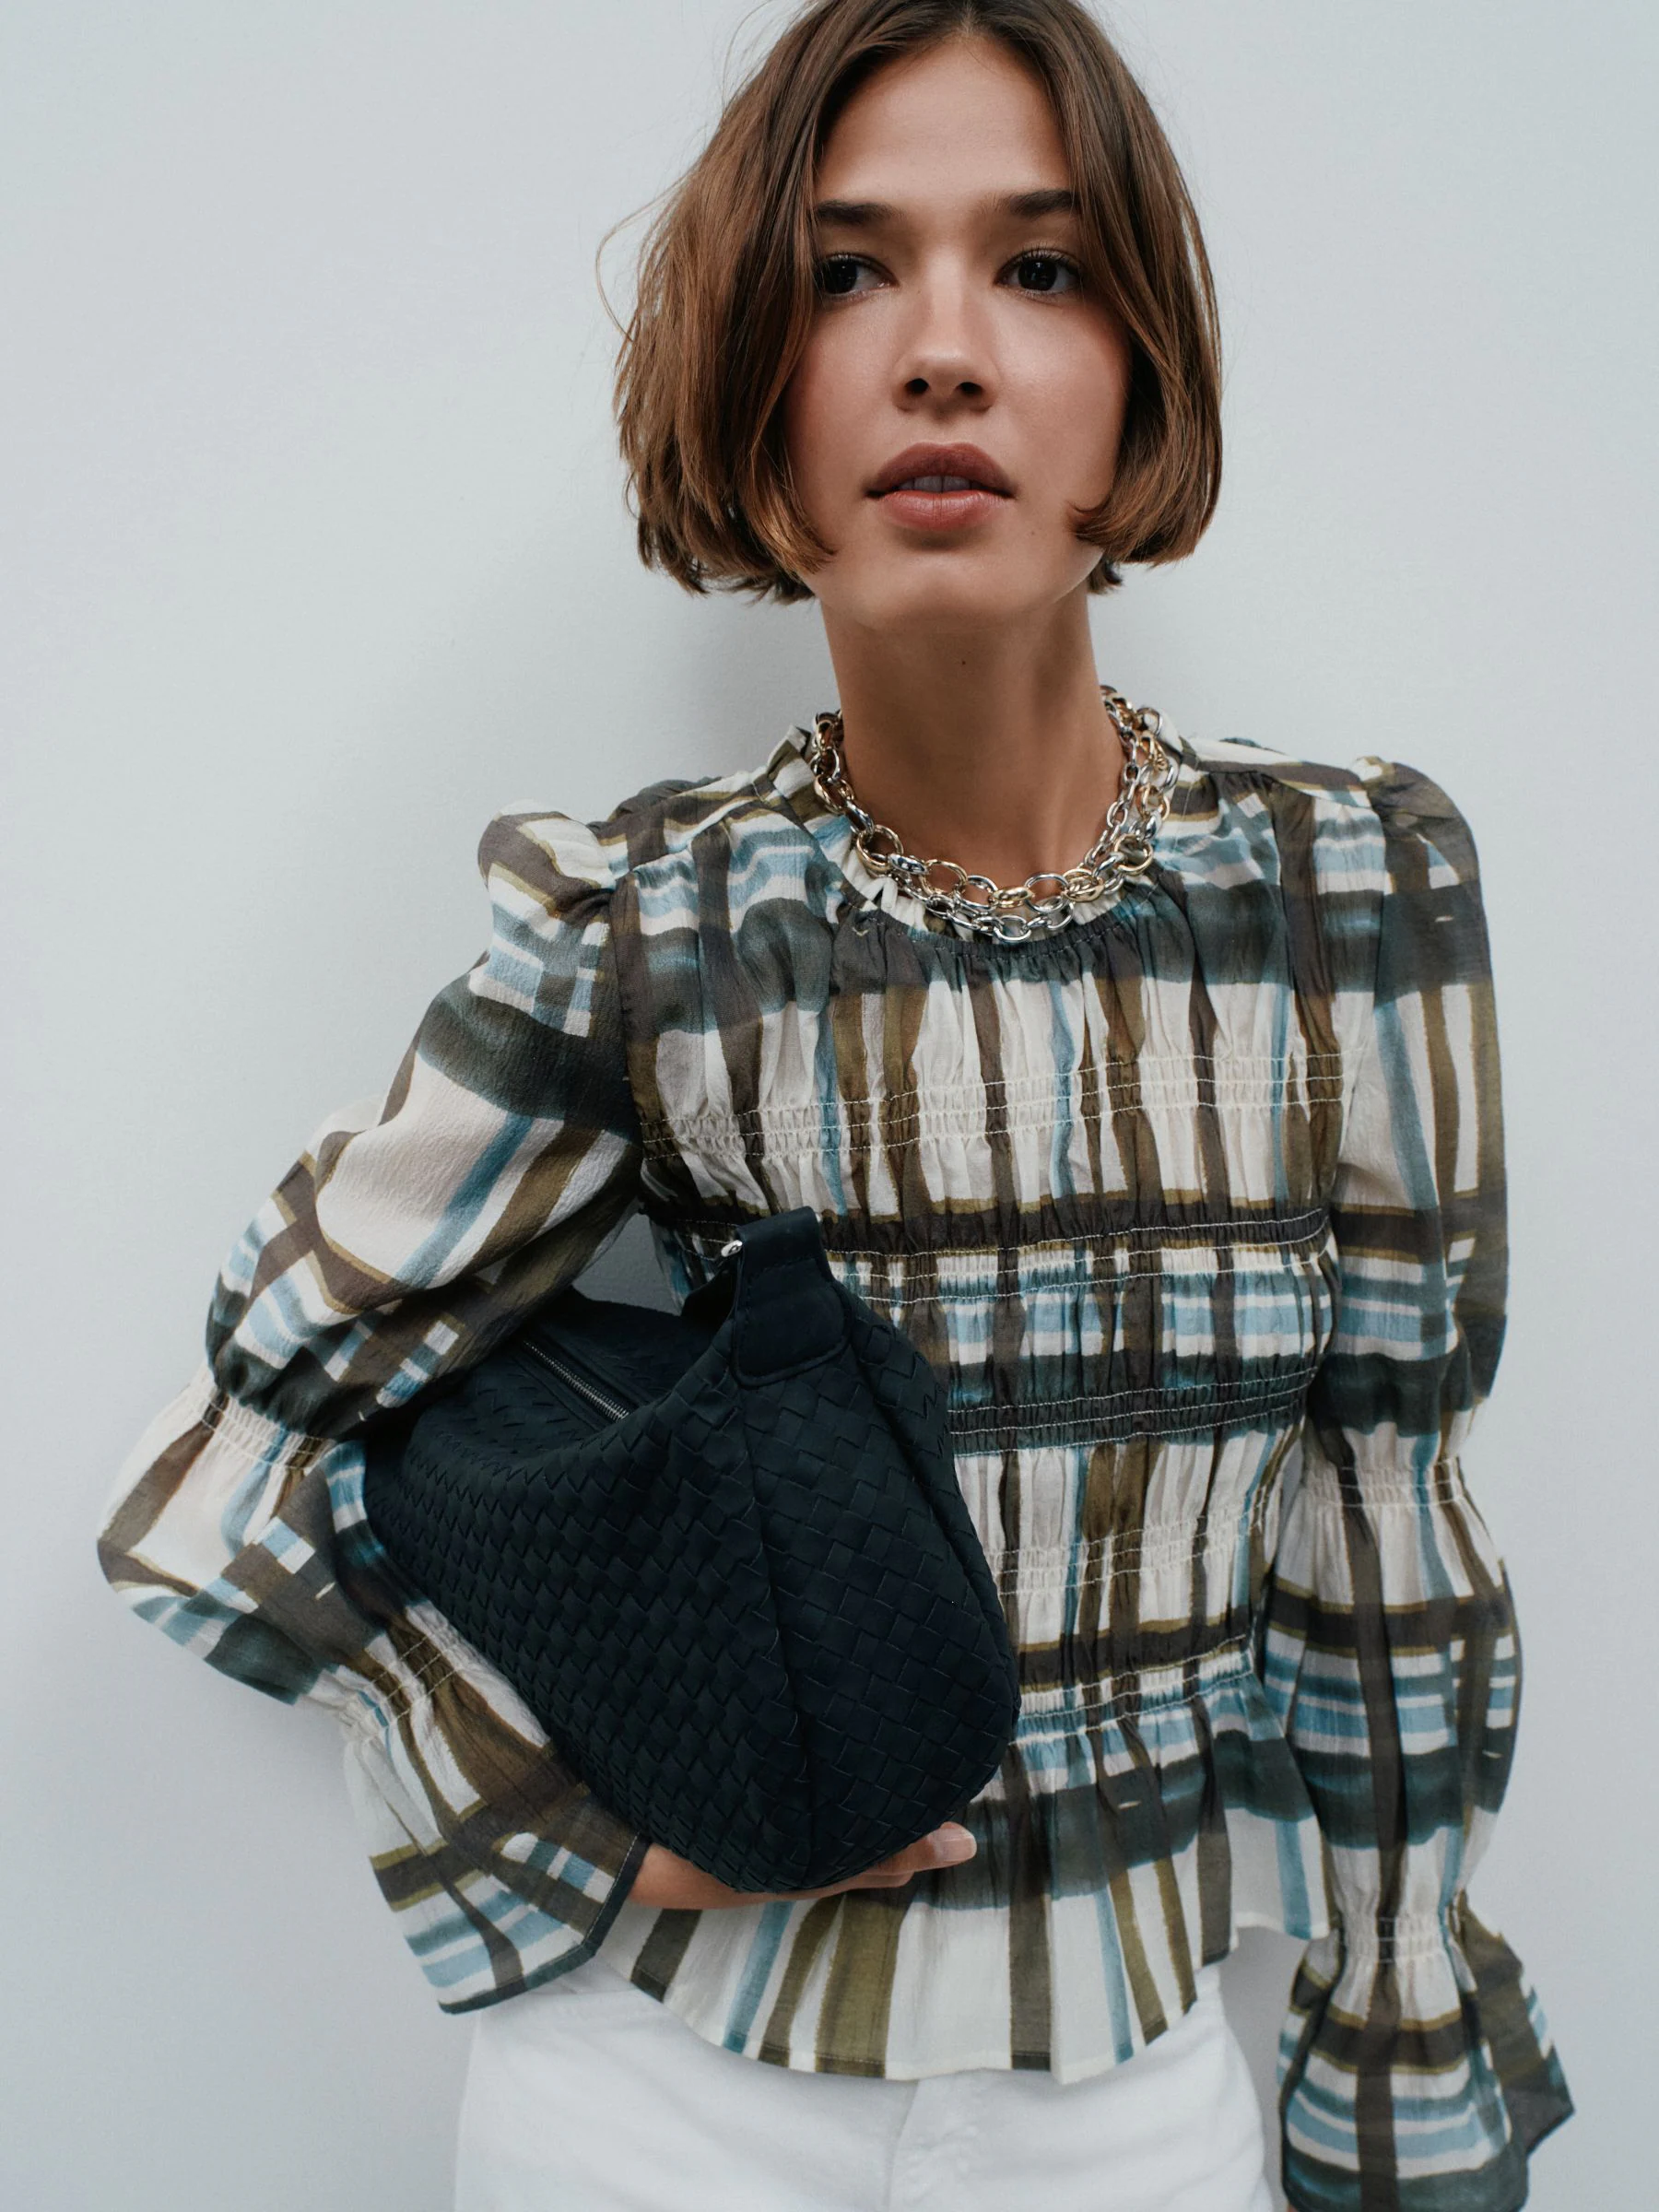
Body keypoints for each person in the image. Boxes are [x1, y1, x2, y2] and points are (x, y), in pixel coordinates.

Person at [94, 2, 1574, 2206]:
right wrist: (556, 1833)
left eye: (1041, 268)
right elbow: (224, 1480)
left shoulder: (1349, 891)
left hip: (1135, 2118)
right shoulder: (643, 925)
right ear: (756, 406)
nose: (944, 353)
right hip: (663, 2116)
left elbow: (1392, 1539)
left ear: (1140, 382)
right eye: (848, 273)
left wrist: (1401, 2088)